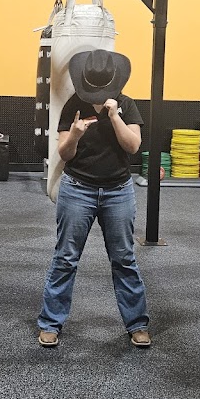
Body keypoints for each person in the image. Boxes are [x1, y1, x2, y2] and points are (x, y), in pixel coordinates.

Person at [38, 48, 151, 348]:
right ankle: (50, 323)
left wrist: (114, 117)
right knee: (65, 258)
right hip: (78, 189)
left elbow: (133, 146)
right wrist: (75, 134)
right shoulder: (73, 105)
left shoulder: (126, 104)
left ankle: (137, 324)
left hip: (118, 191)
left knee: (124, 258)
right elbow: (64, 154)